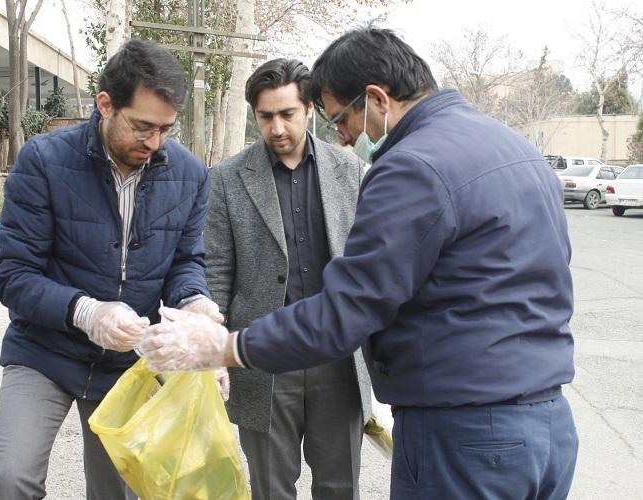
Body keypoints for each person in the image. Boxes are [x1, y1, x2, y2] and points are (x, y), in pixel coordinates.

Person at [140, 27, 579, 499]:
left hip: (465, 433)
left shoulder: (411, 166)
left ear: (376, 99)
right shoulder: (516, 149)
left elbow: (351, 307)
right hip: (546, 423)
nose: (347, 135)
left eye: (342, 118)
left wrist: (226, 348)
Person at [0, 39, 221, 499]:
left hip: (127, 362)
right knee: (13, 479)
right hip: (44, 351)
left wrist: (195, 302)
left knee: (121, 490)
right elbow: (13, 275)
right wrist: (87, 311)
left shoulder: (190, 175)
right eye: (142, 127)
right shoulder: (44, 161)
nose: (154, 143)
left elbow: (184, 263)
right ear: (105, 104)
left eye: (166, 129)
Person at [205, 58, 371, 500]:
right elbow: (216, 270)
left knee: (340, 488)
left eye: (287, 114)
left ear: (310, 109)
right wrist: (216, 349)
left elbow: (370, 267)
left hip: (338, 358)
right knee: (270, 490)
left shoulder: (351, 172)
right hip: (263, 360)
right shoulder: (226, 179)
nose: (277, 128)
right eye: (266, 117)